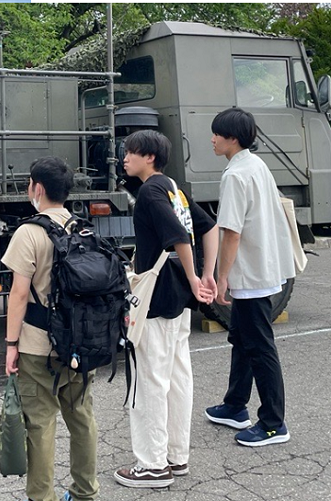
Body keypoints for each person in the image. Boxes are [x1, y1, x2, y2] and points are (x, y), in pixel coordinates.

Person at [114, 130, 218, 488]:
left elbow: (178, 236)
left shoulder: (149, 192)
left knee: (150, 381)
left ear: (150, 158)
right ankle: (177, 456)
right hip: (178, 301)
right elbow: (210, 228)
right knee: (177, 377)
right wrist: (205, 275)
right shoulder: (174, 187)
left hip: (157, 297)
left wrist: (195, 277)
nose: (124, 158)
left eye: (131, 152)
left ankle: (152, 465)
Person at [2, 156, 99, 501]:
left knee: (40, 424)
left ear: (37, 188)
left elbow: (19, 294)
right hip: (81, 344)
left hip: (38, 345)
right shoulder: (83, 227)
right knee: (82, 417)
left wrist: (11, 344)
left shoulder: (29, 232)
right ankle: (86, 491)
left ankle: (43, 497)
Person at [205, 108, 295, 446]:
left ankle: (273, 424)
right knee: (242, 339)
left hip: (251, 273)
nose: (212, 139)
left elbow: (231, 232)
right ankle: (234, 406)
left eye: (217, 134)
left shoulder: (235, 175)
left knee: (259, 346)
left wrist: (222, 276)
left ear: (233, 138)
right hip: (263, 265)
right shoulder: (255, 165)